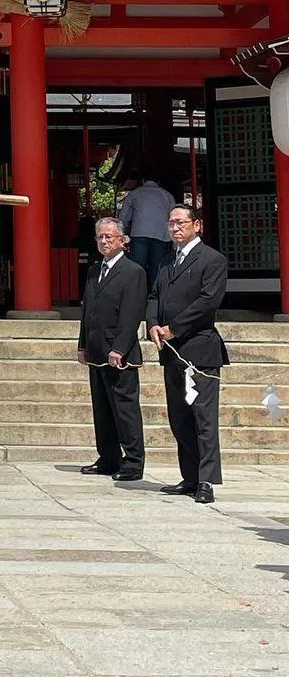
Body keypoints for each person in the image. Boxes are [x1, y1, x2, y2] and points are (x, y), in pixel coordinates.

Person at [147, 204, 229, 504]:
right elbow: (154, 295)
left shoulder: (212, 260)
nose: (175, 228)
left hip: (199, 349)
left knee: (203, 418)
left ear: (197, 225)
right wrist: (154, 324)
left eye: (181, 222)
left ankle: (207, 480)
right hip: (170, 351)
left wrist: (173, 328)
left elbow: (208, 301)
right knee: (179, 416)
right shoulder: (167, 260)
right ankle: (190, 475)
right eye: (170, 223)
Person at [77, 216, 147, 481]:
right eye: (101, 237)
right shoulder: (95, 271)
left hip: (120, 353)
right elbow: (88, 311)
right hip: (96, 350)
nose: (105, 241)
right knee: (102, 409)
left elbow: (131, 314)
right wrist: (82, 344)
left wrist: (120, 347)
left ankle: (133, 460)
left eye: (110, 236)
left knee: (124, 408)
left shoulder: (133, 271)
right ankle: (108, 457)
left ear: (123, 240)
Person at [119, 165, 176, 290]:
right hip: (161, 236)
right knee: (157, 269)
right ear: (158, 181)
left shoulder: (134, 194)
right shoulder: (167, 196)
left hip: (139, 234)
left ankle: (136, 295)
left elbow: (123, 218)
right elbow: (175, 219)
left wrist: (122, 236)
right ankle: (154, 297)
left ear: (143, 180)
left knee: (137, 269)